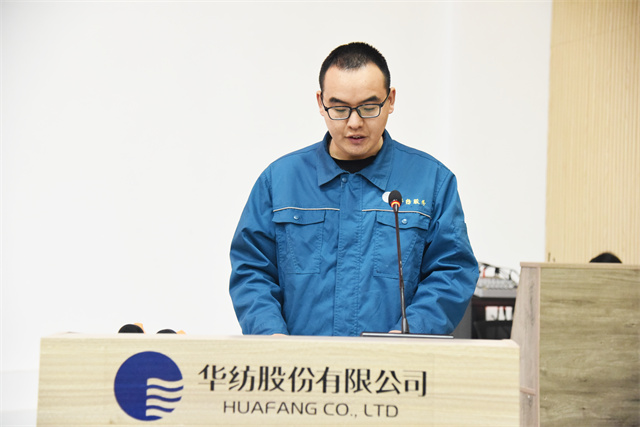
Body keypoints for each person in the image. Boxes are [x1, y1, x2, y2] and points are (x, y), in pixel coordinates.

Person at [229, 42, 478, 336]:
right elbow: (252, 270)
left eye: (369, 108)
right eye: (340, 109)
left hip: (393, 361)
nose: (355, 123)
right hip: (300, 362)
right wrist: (272, 337)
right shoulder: (280, 181)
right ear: (321, 103)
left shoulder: (431, 181)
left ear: (390, 100)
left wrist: (409, 335)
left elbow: (451, 272)